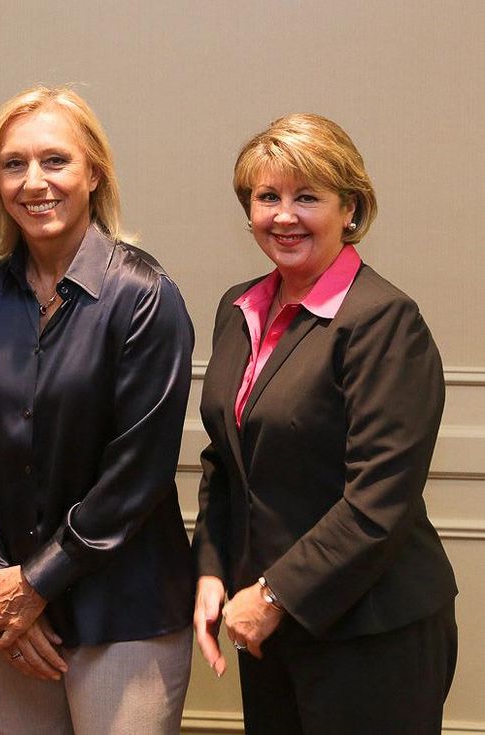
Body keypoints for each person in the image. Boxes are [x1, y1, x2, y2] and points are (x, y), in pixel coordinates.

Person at [192, 113, 458, 734]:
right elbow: (224, 460)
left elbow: (378, 500)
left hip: (371, 636)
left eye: (307, 197)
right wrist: (211, 568)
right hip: (269, 628)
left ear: (351, 208)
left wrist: (273, 596)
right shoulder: (239, 308)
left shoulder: (385, 320)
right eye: (268, 197)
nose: (284, 216)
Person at [0, 86, 195, 734]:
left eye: (55, 160)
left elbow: (136, 473)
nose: (34, 182)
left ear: (94, 172)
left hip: (125, 612)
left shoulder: (143, 296)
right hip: (8, 614)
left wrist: (38, 582)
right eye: (13, 164)